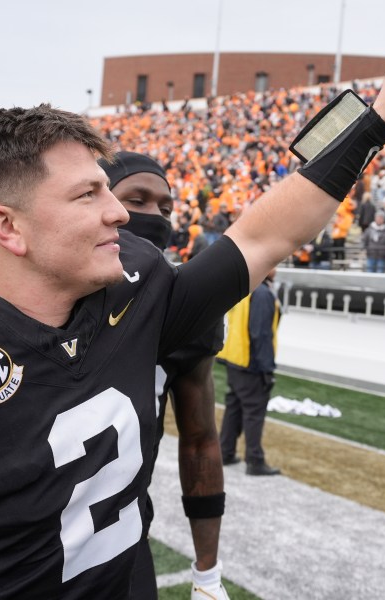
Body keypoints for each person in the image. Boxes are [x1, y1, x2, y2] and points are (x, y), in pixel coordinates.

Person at [0, 21, 385, 599]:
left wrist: (380, 121)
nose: (119, 213)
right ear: (8, 227)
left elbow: (259, 239)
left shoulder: (139, 287)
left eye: (107, 188)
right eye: (87, 194)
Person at [99, 151, 228, 599]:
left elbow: (200, 440)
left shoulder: (181, 306)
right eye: (137, 200)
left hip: (121, 546)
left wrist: (207, 574)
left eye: (167, 208)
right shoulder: (51, 285)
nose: (155, 217)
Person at [218, 267, 282, 475]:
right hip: (250, 361)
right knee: (254, 411)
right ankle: (254, 460)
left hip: (234, 357)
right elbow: (260, 334)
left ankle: (225, 452)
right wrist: (267, 369)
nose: (277, 269)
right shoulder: (262, 294)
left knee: (234, 406)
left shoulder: (244, 289)